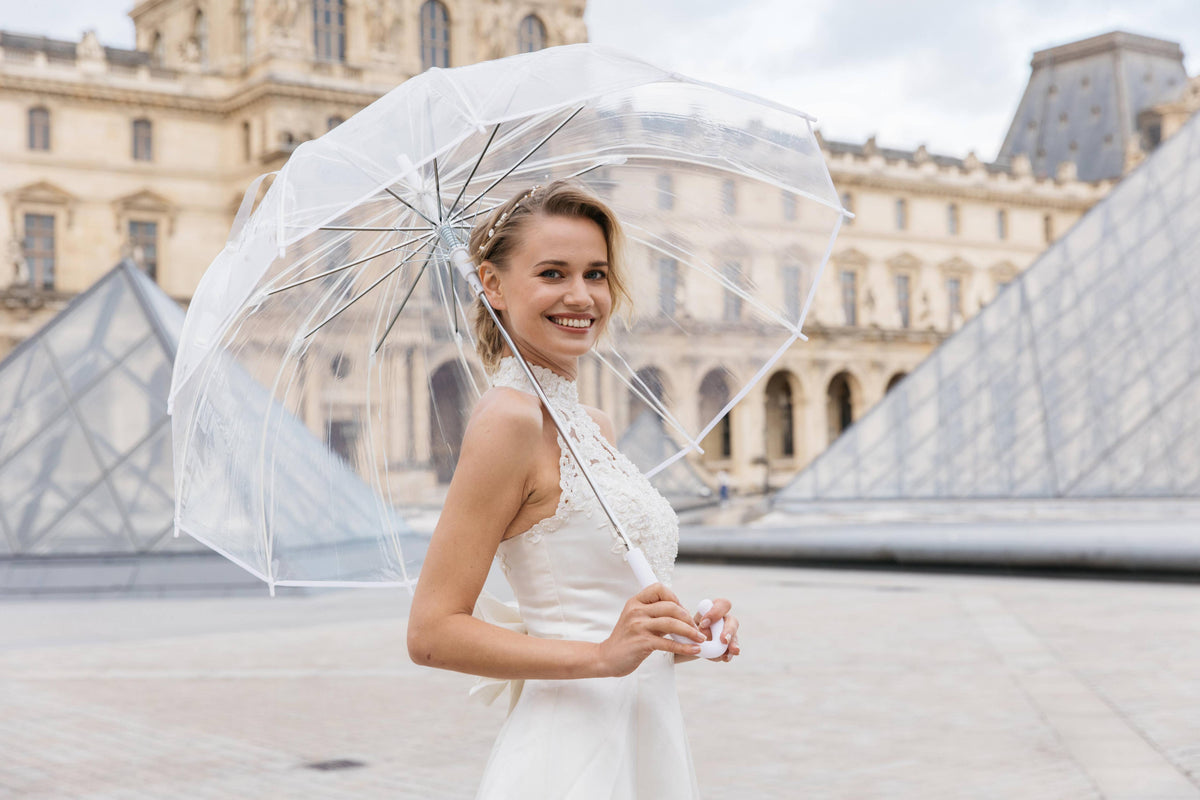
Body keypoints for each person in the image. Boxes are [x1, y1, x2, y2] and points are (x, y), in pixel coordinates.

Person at [407, 180, 740, 799]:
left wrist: (682, 629)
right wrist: (602, 657)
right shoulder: (510, 421)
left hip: (645, 734)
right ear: (494, 284)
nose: (581, 296)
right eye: (553, 273)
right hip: (569, 755)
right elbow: (430, 633)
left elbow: (601, 594)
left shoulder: (594, 425)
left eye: (597, 273)